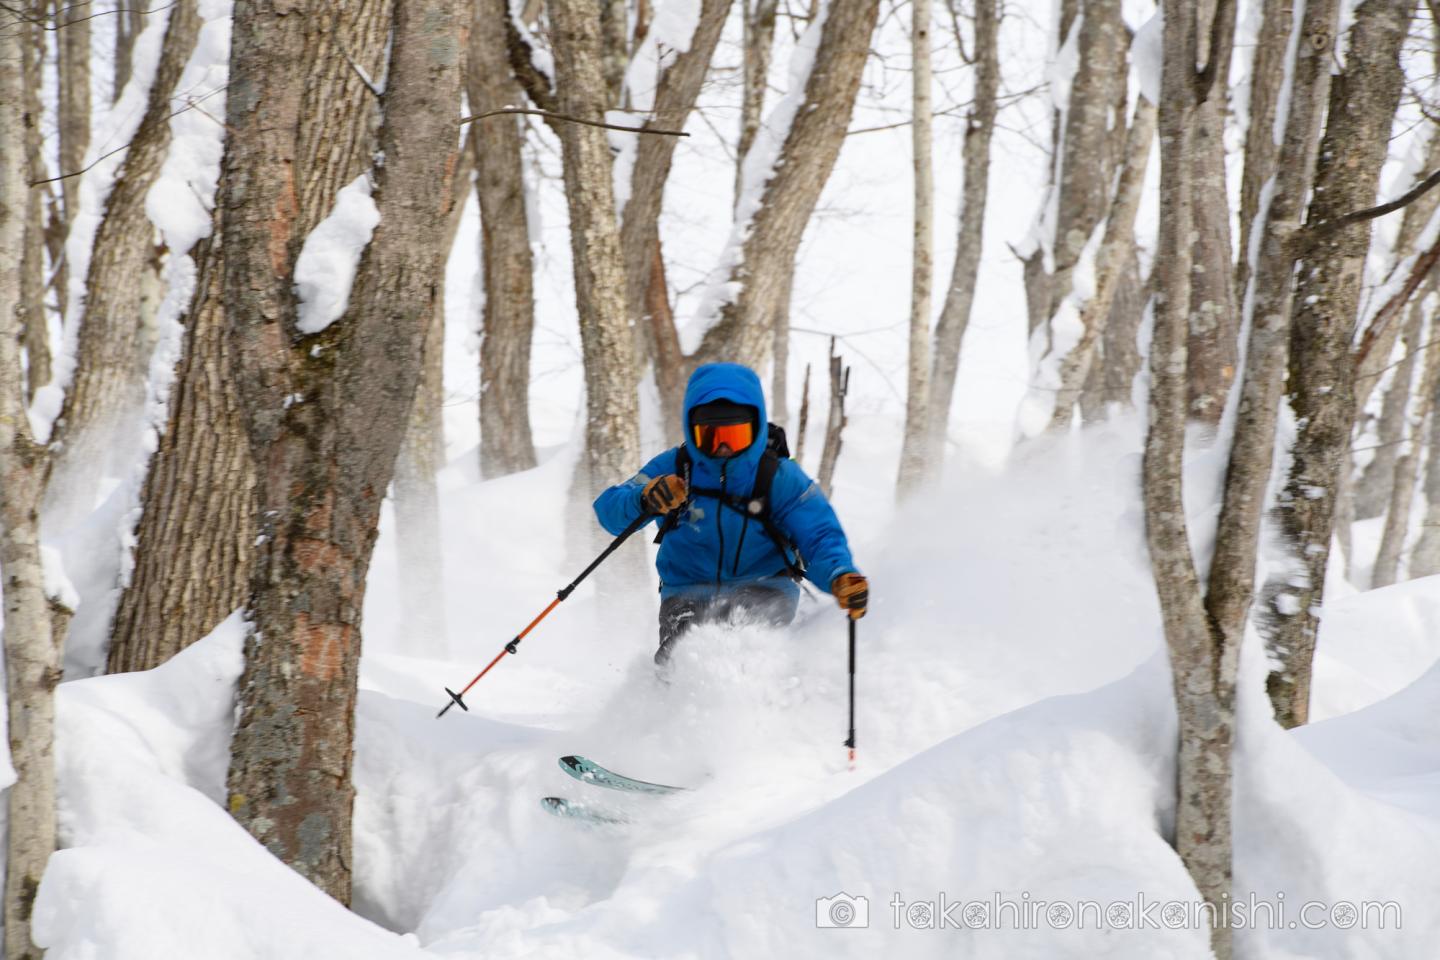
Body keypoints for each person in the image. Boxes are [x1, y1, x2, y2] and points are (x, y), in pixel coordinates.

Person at [594, 362, 868, 665]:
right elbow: (609, 511)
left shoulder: (777, 476)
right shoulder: (673, 468)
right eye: (711, 437)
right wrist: (644, 498)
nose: (723, 447)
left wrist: (839, 574)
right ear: (691, 430)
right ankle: (669, 706)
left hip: (766, 587)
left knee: (754, 654)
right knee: (681, 659)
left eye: (735, 436)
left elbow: (818, 534)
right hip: (686, 592)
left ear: (757, 428)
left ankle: (767, 705)